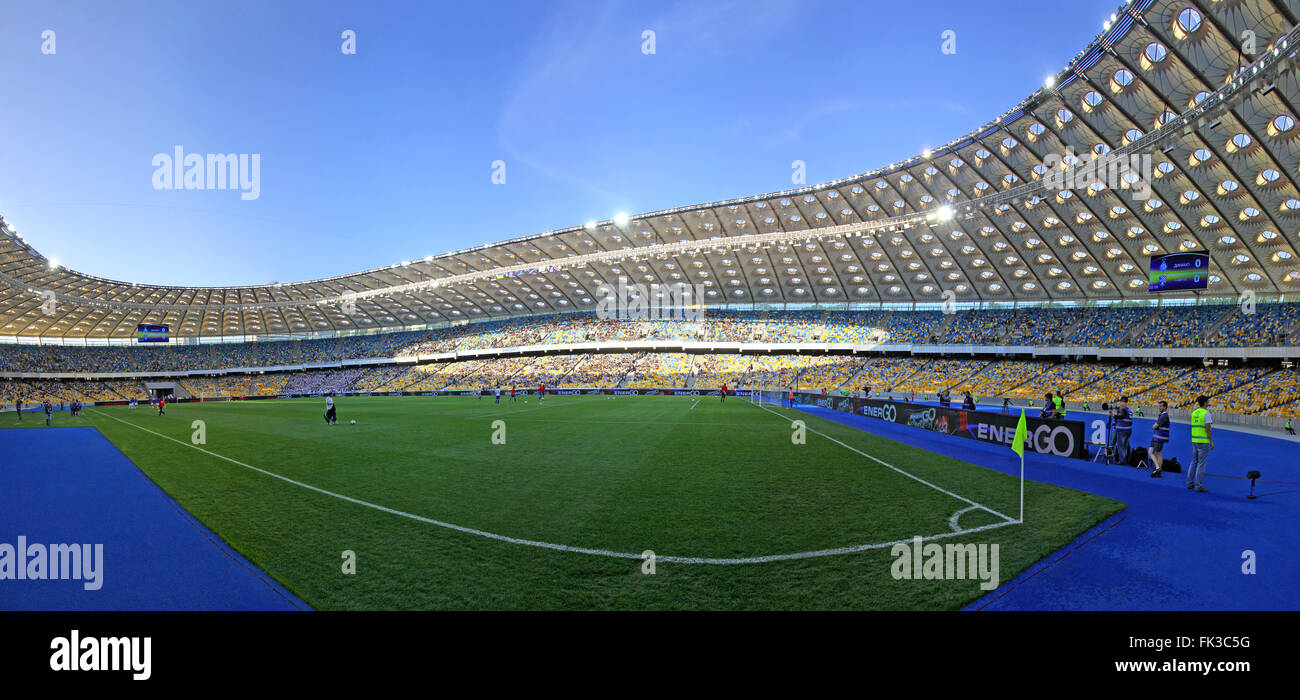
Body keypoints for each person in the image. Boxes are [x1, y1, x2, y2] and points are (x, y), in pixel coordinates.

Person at [1187, 395, 1213, 493]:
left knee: (1194, 461)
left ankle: (1189, 483)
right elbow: (1208, 429)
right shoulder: (1206, 413)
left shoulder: (1194, 413)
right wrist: (1212, 442)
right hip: (1203, 441)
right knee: (1201, 464)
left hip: (1194, 440)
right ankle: (1198, 485)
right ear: (1205, 402)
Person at [1149, 400, 1170, 478]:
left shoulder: (1164, 416)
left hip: (1159, 437)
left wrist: (1154, 425)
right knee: (1151, 452)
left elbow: (1154, 426)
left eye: (1161, 406)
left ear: (1165, 407)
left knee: (1158, 454)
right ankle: (1158, 468)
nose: (1159, 407)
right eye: (1159, 406)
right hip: (1156, 437)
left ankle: (1158, 469)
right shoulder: (1162, 415)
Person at [1113, 396, 1133, 466]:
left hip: (1122, 430)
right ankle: (1125, 459)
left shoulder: (1124, 410)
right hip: (1128, 430)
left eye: (1122, 402)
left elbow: (1121, 417)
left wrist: (1114, 415)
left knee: (1120, 446)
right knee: (1125, 446)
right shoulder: (1129, 410)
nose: (1121, 403)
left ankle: (1122, 460)